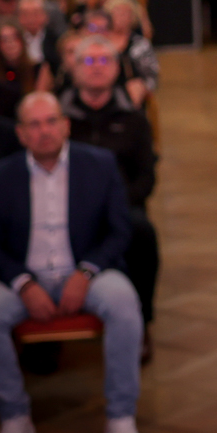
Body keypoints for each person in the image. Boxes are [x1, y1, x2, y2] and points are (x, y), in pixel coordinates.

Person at [0, 92, 143, 433]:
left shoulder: (99, 164)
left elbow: (120, 231)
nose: (44, 131)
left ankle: (121, 416)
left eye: (51, 121)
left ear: (65, 126)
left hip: (87, 271)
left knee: (125, 302)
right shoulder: (0, 176)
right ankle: (14, 416)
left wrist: (86, 272)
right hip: (26, 275)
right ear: (21, 134)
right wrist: (23, 283)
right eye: (34, 124)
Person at [60, 37, 159, 333]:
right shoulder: (59, 116)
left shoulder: (134, 118)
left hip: (122, 206)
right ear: (74, 68)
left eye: (104, 60)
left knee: (142, 233)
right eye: (88, 61)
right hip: (66, 205)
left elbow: (146, 178)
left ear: (117, 68)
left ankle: (142, 320)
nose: (97, 67)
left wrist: (115, 206)